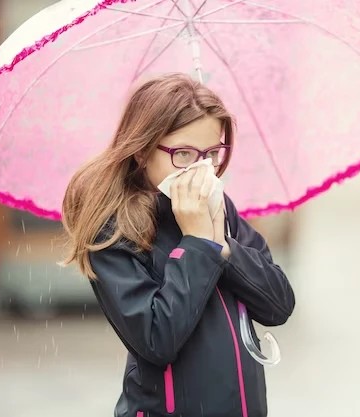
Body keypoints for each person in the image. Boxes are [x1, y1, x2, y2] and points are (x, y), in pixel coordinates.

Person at [61, 73, 295, 417]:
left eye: (212, 153)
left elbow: (278, 305)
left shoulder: (218, 205)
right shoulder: (112, 230)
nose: (201, 169)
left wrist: (225, 248)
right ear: (142, 150)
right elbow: (157, 339)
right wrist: (198, 243)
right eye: (183, 153)